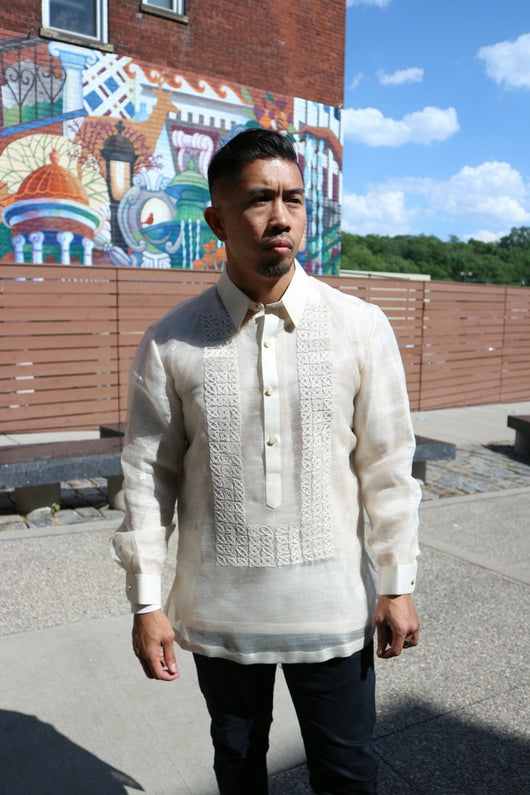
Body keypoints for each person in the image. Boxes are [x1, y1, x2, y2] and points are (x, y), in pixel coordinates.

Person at [111, 127, 421, 794]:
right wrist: (146, 601)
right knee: (238, 766)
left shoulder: (360, 326)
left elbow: (388, 464)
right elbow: (147, 478)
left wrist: (397, 583)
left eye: (293, 199)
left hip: (335, 611)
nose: (281, 216)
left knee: (349, 774)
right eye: (259, 199)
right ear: (218, 220)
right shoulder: (170, 341)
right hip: (220, 618)